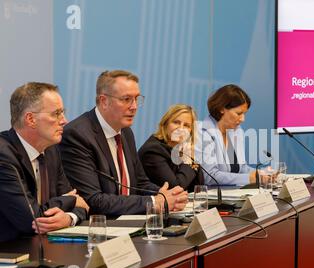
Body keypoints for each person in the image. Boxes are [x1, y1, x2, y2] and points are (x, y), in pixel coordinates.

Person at [59, 70, 188, 217]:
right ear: (104, 101)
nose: (134, 106)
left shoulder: (125, 132)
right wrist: (154, 201)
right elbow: (93, 200)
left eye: (136, 99)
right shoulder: (77, 135)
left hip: (128, 223)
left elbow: (139, 183)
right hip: (99, 228)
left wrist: (166, 195)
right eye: (126, 99)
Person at [0, 82, 88, 242]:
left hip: (42, 247)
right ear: (31, 119)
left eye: (63, 113)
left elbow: (83, 206)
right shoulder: (3, 156)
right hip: (9, 253)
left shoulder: (51, 150)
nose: (64, 121)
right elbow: (32, 220)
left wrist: (69, 218)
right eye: (56, 114)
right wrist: (70, 200)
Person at [195, 84, 260, 186]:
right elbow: (210, 177)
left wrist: (262, 174)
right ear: (222, 109)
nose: (243, 119)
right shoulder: (202, 132)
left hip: (234, 195)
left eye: (244, 114)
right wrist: (249, 178)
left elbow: (241, 169)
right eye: (238, 113)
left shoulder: (236, 131)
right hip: (211, 197)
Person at [138, 104, 204, 192]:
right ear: (165, 124)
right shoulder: (153, 150)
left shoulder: (181, 148)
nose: (181, 128)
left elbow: (198, 186)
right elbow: (176, 188)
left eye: (186, 125)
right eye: (176, 122)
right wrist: (189, 159)